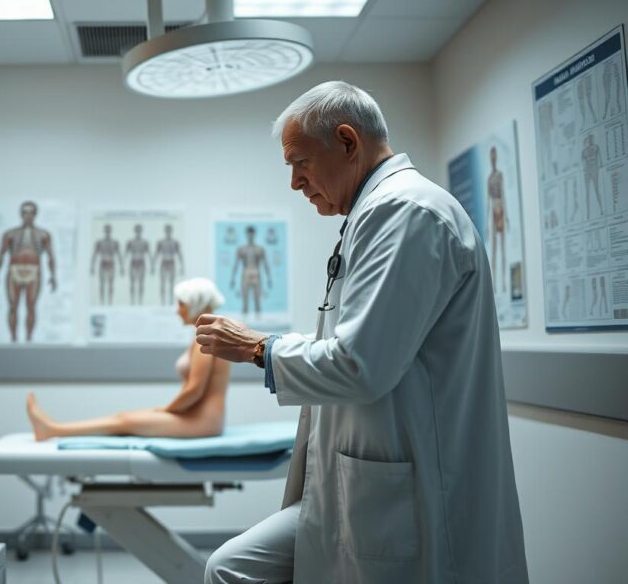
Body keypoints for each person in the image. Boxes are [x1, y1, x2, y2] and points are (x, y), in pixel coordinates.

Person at [196, 81, 527, 584]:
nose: (295, 183)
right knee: (229, 568)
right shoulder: (374, 213)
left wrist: (256, 347)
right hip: (356, 480)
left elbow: (359, 363)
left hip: (410, 490)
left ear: (348, 142)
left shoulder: (406, 212)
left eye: (300, 162)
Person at [27, 278, 228, 440]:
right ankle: (53, 429)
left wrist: (167, 410)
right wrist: (166, 410)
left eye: (181, 304)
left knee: (124, 421)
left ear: (197, 303)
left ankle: (53, 430)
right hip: (196, 415)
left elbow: (195, 390)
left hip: (203, 421)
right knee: (124, 418)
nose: (177, 310)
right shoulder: (207, 333)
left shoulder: (208, 335)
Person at [0, 201, 57, 342]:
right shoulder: (10, 234)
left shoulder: (43, 235)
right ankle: (13, 339)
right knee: (13, 306)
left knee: (31, 306)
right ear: (21, 214)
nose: (28, 216)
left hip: (34, 271)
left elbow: (50, 256)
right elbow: (0, 254)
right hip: (14, 270)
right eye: (25, 212)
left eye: (31, 212)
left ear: (36, 214)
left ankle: (29, 339)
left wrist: (53, 275)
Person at [229, 225, 272, 316]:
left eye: (252, 233)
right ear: (247, 234)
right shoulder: (242, 249)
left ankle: (259, 322)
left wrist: (269, 277)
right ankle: (243, 325)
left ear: (254, 234)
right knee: (245, 299)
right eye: (249, 233)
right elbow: (236, 264)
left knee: (257, 299)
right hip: (246, 273)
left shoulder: (259, 249)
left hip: (256, 273)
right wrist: (232, 278)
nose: (250, 235)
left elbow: (265, 264)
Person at [487, 146, 510, 291]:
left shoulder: (499, 175)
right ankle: (494, 283)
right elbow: (487, 199)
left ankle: (504, 282)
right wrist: (485, 223)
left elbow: (503, 194)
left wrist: (506, 216)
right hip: (493, 209)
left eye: (494, 156)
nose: (493, 159)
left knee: (502, 247)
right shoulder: (489, 178)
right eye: (491, 157)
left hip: (500, 208)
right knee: (494, 249)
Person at [91, 223, 123, 305]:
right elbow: (94, 254)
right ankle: (102, 303)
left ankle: (110, 303)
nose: (107, 231)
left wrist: (122, 267)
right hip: (103, 263)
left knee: (111, 285)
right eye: (106, 230)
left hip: (111, 264)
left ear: (111, 231)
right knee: (102, 285)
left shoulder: (115, 242)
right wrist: (92, 267)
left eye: (109, 230)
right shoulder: (99, 242)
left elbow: (119, 255)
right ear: (104, 231)